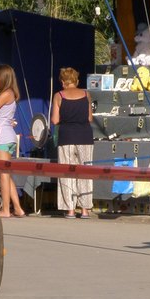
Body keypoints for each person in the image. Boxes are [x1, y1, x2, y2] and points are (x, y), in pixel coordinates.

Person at [51, 67, 94, 219]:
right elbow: (89, 118)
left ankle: (69, 209)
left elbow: (55, 120)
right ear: (77, 81)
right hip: (85, 137)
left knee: (67, 172)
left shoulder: (59, 96)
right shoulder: (86, 94)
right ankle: (85, 209)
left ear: (63, 82)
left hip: (66, 137)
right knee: (85, 172)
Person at [0, 64, 25, 218]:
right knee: (6, 174)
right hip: (7, 135)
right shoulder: (11, 93)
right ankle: (18, 208)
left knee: (3, 173)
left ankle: (6, 209)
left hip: (1, 136)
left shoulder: (6, 94)